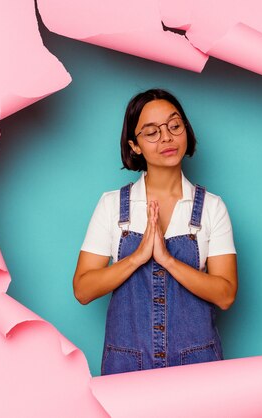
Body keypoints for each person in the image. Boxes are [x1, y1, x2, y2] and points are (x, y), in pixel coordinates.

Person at [73, 88, 238, 375]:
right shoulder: (112, 206)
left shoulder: (212, 208)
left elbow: (225, 294)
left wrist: (168, 261)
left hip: (197, 365)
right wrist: (137, 257)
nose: (167, 138)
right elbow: (83, 289)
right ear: (134, 146)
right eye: (151, 132)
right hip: (127, 365)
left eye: (174, 126)